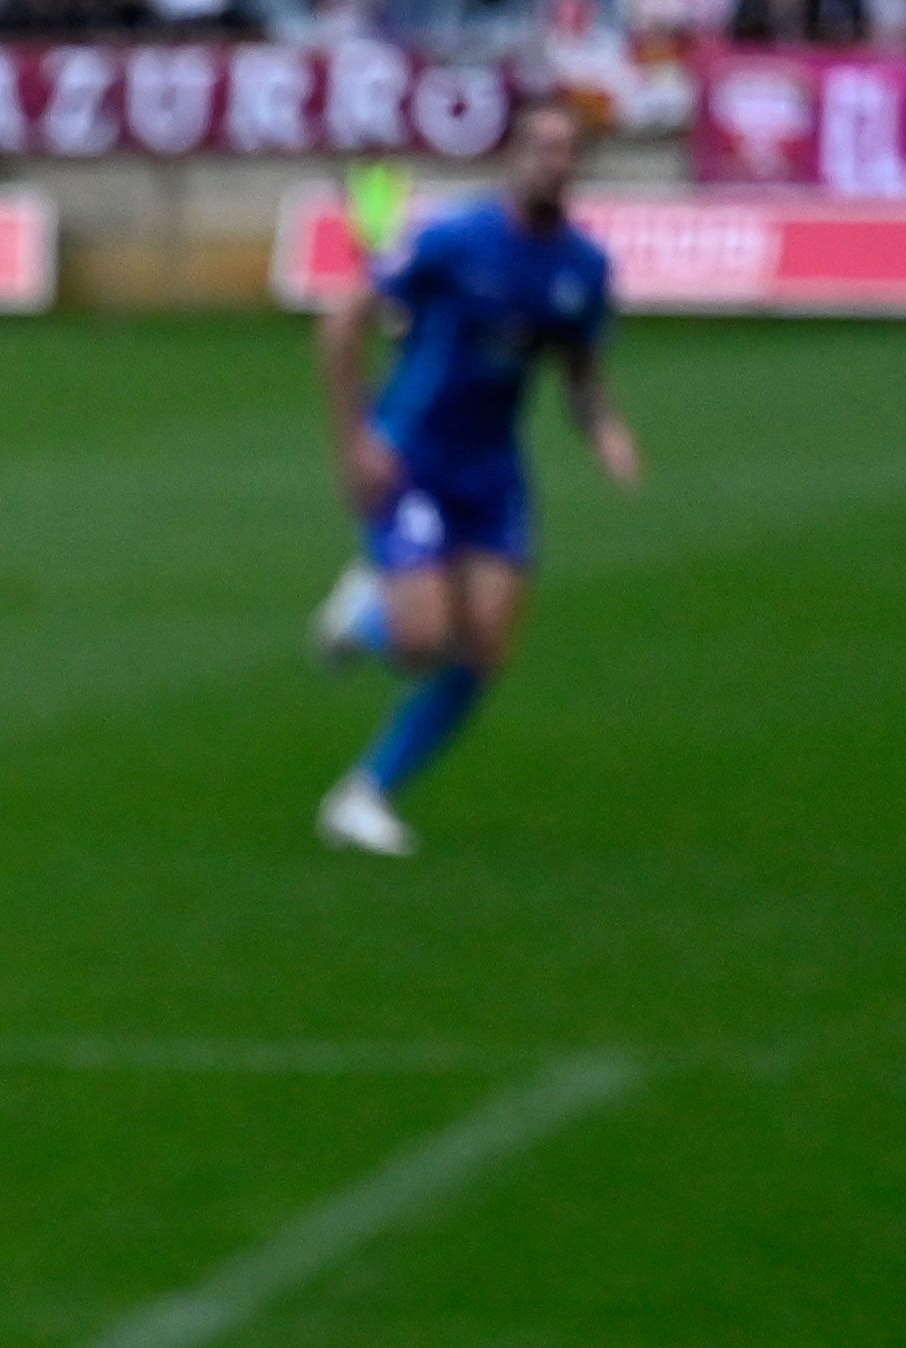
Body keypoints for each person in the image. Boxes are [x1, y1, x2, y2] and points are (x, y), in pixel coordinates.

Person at [304, 93, 636, 856]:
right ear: (513, 157)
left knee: (484, 648)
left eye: (565, 149)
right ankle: (366, 616)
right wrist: (354, 439)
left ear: (578, 165)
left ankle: (363, 796)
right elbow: (344, 323)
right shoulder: (455, 241)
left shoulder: (582, 268)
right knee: (424, 642)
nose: (552, 161)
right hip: (411, 456)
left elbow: (579, 371)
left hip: (493, 470)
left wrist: (606, 430)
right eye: (539, 146)